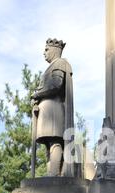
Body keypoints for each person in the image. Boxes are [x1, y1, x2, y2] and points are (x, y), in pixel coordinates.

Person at [31, 38, 75, 177]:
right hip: (46, 110)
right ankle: (51, 171)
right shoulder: (50, 67)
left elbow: (56, 85)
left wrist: (37, 93)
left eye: (46, 49)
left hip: (54, 110)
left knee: (55, 141)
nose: (44, 53)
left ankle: (54, 172)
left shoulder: (60, 64)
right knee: (48, 144)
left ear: (55, 50)